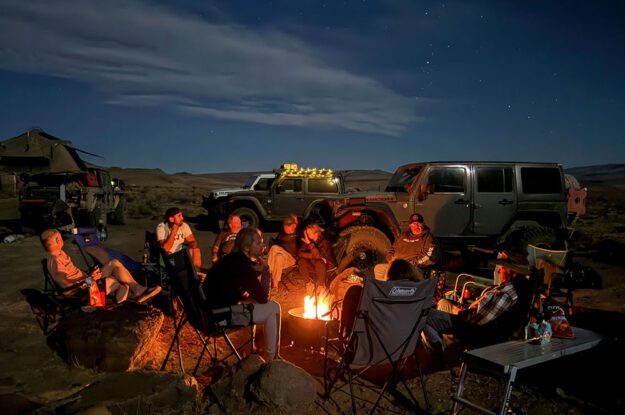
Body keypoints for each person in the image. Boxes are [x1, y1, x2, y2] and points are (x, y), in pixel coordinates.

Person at [423, 249, 531, 349]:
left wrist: (461, 312)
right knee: (442, 303)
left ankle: (440, 351)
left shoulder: (507, 294)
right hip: (470, 322)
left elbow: (478, 321)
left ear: (513, 272)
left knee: (423, 315)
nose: (498, 271)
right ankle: (443, 343)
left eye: (502, 268)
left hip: (470, 331)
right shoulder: (513, 287)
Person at [202, 227, 281, 361]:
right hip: (219, 318)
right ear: (246, 247)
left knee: (251, 302)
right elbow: (263, 298)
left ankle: (249, 350)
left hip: (208, 313)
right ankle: (273, 359)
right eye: (258, 243)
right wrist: (266, 270)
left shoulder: (232, 259)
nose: (263, 246)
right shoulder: (242, 266)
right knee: (273, 308)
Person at [41, 229, 161, 303]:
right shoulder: (54, 260)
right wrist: (90, 279)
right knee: (119, 281)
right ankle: (133, 296)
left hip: (86, 281)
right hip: (82, 289)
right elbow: (65, 285)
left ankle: (137, 290)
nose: (62, 239)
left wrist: (91, 275)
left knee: (114, 263)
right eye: (60, 238)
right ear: (57, 240)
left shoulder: (60, 253)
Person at [340, 259, 422, 337]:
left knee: (355, 291)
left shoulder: (378, 304)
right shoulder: (419, 305)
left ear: (389, 280)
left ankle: (346, 337)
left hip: (370, 347)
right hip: (403, 349)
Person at [374, 213, 441, 280]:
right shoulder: (403, 236)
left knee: (397, 274)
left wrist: (410, 263)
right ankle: (385, 289)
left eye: (418, 224)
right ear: (410, 225)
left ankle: (392, 287)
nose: (416, 226)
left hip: (413, 268)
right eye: (413, 224)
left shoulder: (428, 238)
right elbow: (392, 249)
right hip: (396, 265)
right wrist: (390, 258)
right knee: (378, 269)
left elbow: (430, 257)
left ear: (423, 224)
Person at [297, 223, 337, 289]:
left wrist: (310, 244)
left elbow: (318, 256)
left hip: (325, 266)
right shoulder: (308, 241)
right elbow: (300, 253)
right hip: (313, 264)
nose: (306, 235)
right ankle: (308, 284)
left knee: (319, 262)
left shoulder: (325, 242)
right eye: (306, 233)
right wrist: (313, 255)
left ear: (316, 234)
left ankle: (321, 286)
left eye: (308, 234)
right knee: (301, 261)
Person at [267, 216, 299, 289]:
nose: (286, 228)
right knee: (279, 257)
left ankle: (267, 273)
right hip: (283, 258)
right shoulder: (281, 235)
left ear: (293, 226)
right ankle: (275, 285)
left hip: (292, 260)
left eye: (288, 226)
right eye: (285, 226)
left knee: (274, 248)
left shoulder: (298, 236)